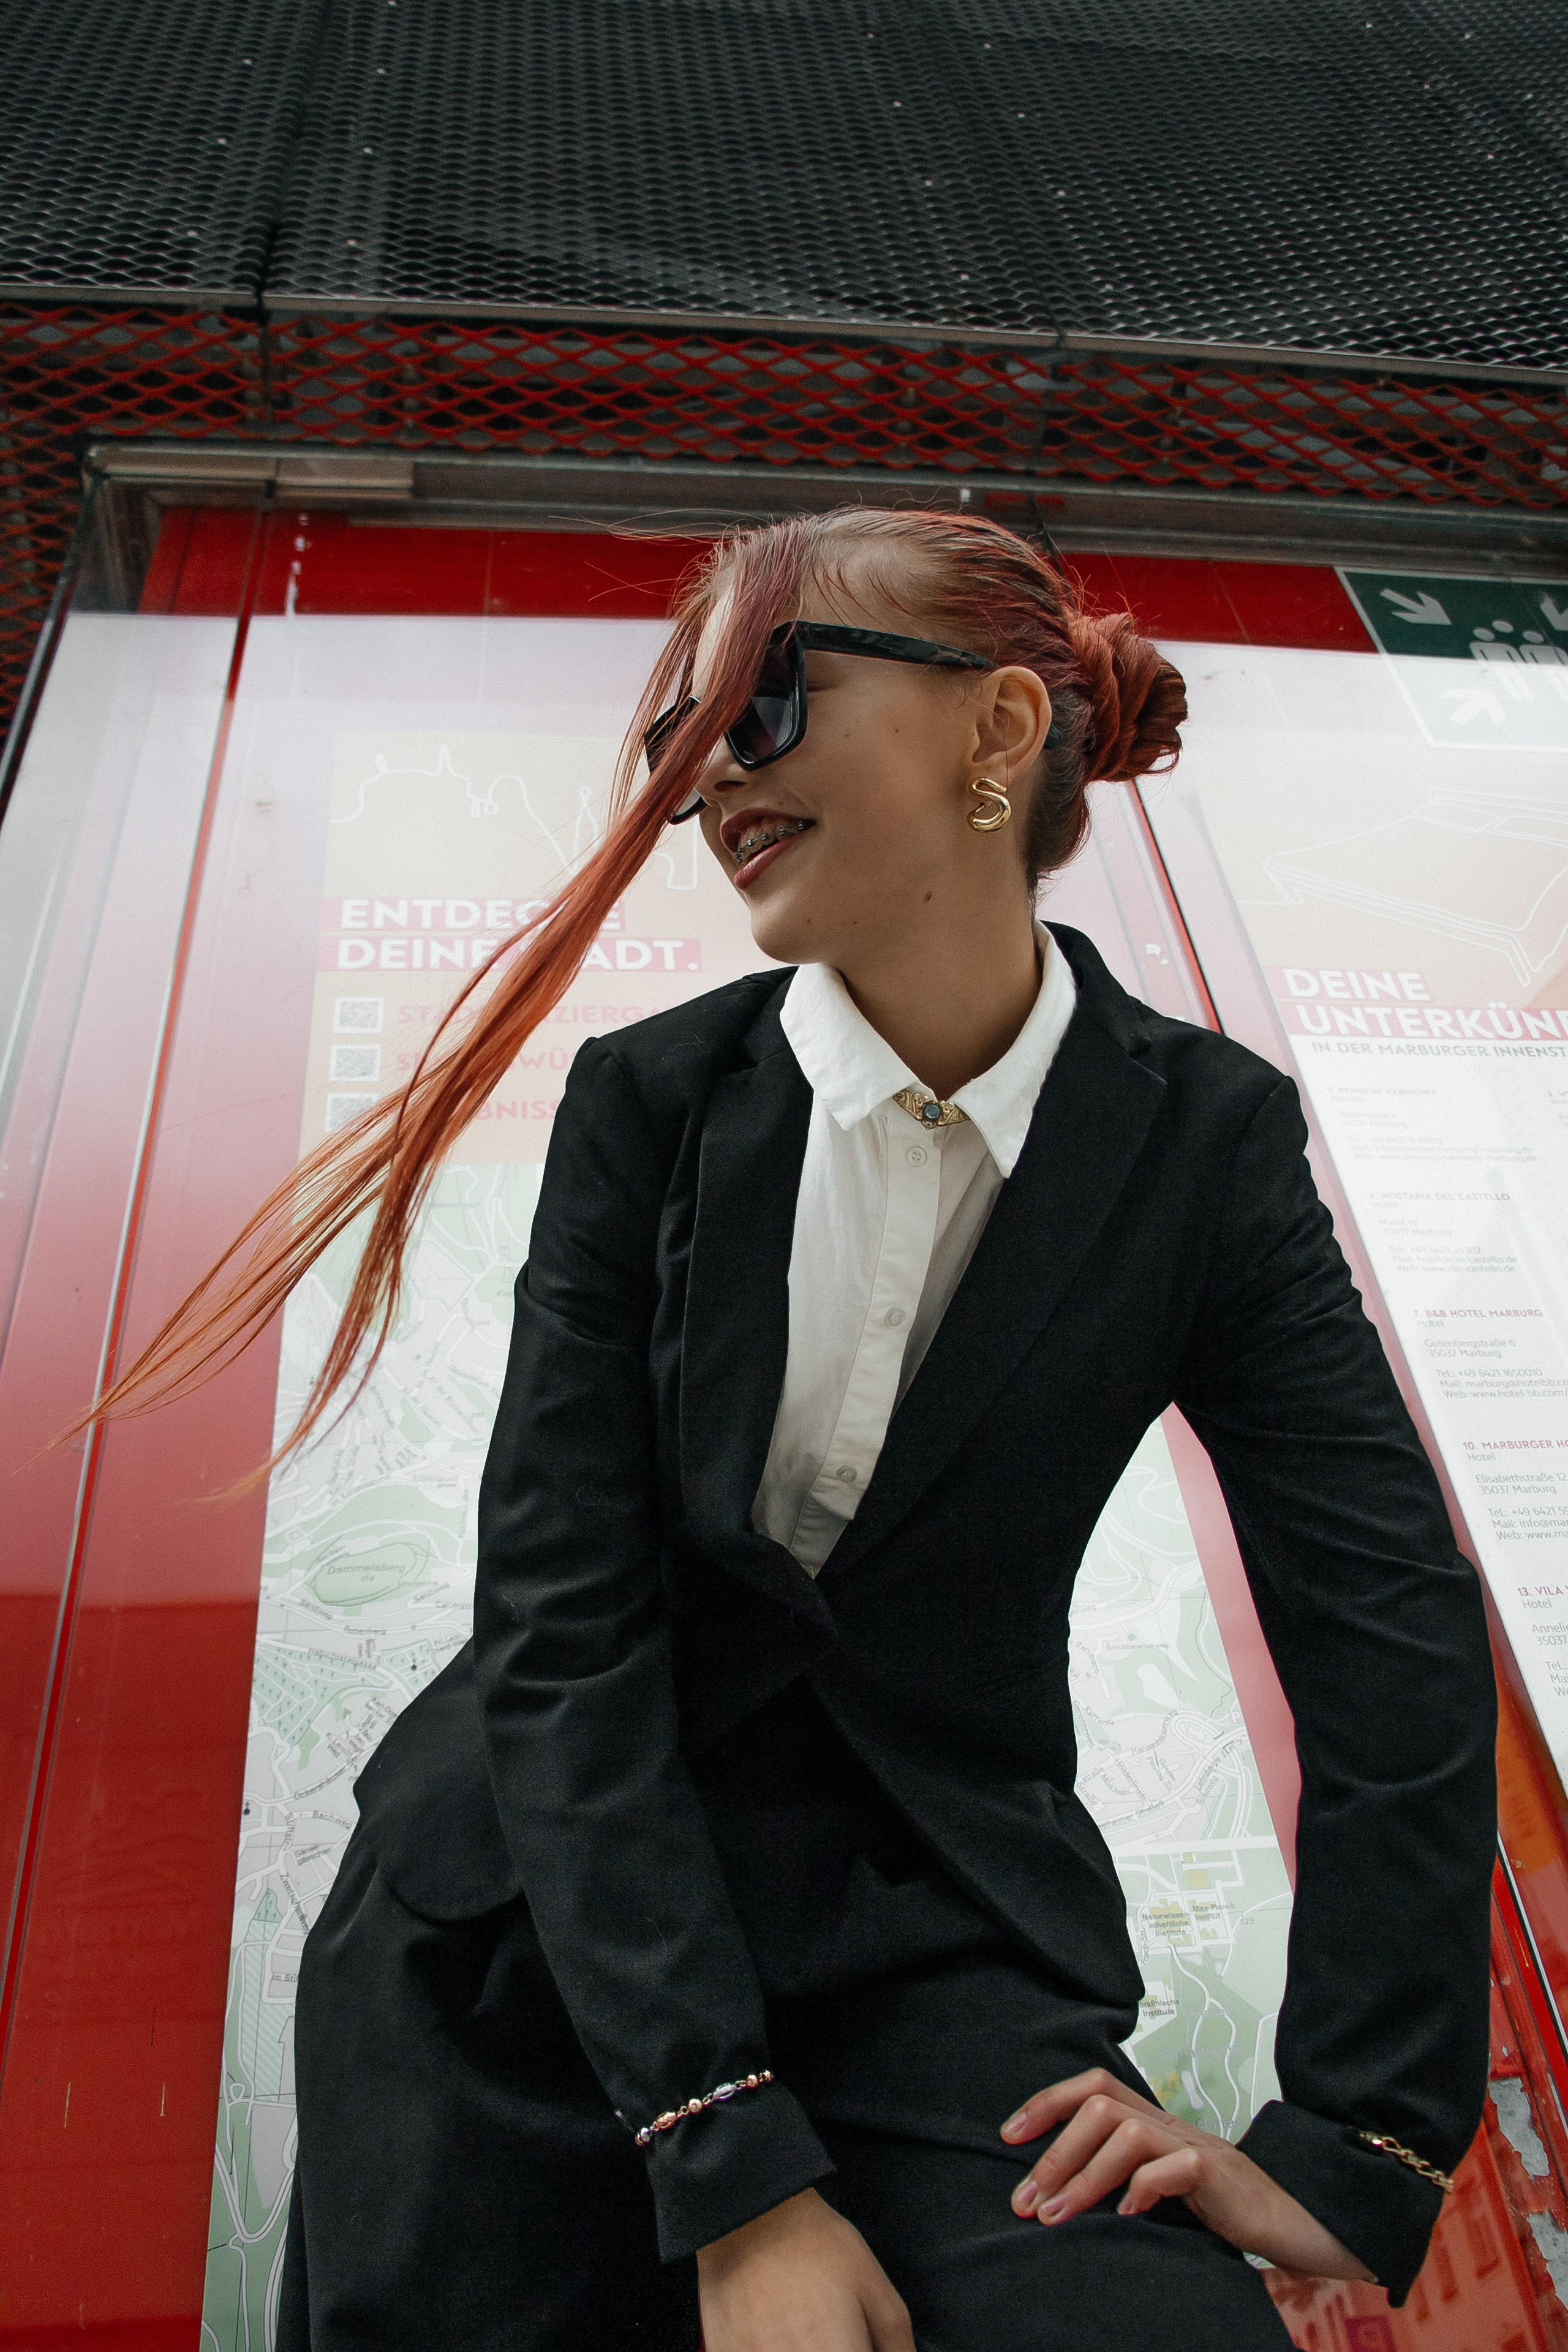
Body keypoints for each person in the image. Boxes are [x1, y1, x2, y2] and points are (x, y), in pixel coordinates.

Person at [98, 508, 1496, 2350]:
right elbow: (562, 1622)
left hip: (937, 1945)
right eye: (679, 744)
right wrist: (729, 2160)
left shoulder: (1207, 1141)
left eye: (758, 707)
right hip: (544, 1937)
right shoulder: (647, 1103)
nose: (706, 783)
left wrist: (1359, 2136)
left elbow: (1382, 1615)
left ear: (998, 726)